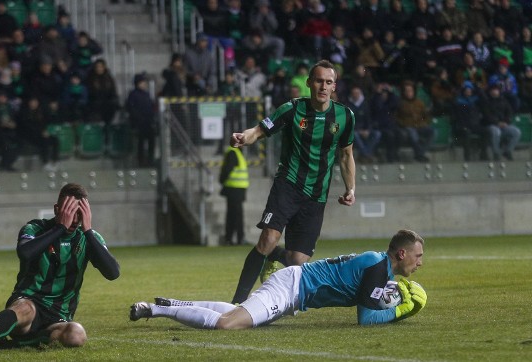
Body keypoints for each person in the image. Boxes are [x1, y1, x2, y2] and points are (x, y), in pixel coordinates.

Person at [228, 60, 356, 304]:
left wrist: (351, 188)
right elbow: (259, 129)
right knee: (268, 238)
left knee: (297, 261)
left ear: (334, 86)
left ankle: (275, 256)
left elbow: (346, 154)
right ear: (308, 83)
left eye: (328, 82)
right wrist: (245, 137)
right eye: (319, 81)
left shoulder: (345, 116)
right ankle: (237, 303)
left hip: (317, 195)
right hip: (287, 185)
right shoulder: (291, 109)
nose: (323, 86)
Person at [130, 229, 426, 329]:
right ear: (401, 253)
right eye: (418, 256)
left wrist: (393, 299)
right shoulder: (377, 267)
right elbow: (367, 319)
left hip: (294, 291)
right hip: (291, 288)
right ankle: (160, 310)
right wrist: (402, 310)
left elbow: (371, 306)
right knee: (228, 324)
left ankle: (168, 304)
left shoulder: (378, 266)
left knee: (236, 314)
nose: (420, 263)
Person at [0, 183, 120, 353]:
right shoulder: (35, 228)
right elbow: (25, 253)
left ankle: (9, 345)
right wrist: (60, 228)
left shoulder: (89, 238)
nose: (75, 220)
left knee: (77, 334)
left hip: (59, 315)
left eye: (80, 214)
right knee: (25, 309)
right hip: (29, 301)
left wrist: (88, 231)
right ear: (57, 209)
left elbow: (113, 273)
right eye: (71, 212)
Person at [395, 81, 434, 163]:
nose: (409, 93)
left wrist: (424, 123)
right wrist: (404, 124)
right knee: (412, 134)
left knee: (433, 132)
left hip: (420, 125)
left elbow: (426, 116)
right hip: (408, 126)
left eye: (410, 91)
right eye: (407, 91)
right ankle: (420, 155)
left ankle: (420, 153)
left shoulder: (419, 103)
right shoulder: (400, 103)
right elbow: (396, 117)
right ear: (404, 92)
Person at [481, 84, 521, 161]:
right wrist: (497, 123)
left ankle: (507, 151)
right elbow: (486, 116)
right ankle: (496, 152)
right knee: (496, 131)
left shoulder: (503, 100)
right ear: (489, 92)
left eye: (496, 90)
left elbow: (509, 112)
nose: (495, 92)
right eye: (493, 90)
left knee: (516, 132)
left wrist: (506, 122)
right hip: (490, 125)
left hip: (504, 124)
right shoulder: (486, 102)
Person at [219, 146, 249, 246]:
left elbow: (227, 169)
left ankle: (230, 239)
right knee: (236, 215)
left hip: (236, 188)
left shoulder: (234, 152)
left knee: (232, 215)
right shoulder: (234, 152)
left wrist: (222, 181)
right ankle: (238, 238)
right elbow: (228, 169)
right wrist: (222, 180)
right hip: (235, 188)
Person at [126, 72, 156, 168]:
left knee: (151, 140)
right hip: (139, 123)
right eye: (142, 82)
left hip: (148, 122)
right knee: (141, 142)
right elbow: (131, 109)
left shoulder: (146, 94)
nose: (144, 84)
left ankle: (150, 159)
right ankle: (141, 160)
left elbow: (151, 107)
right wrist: (138, 119)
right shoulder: (133, 94)